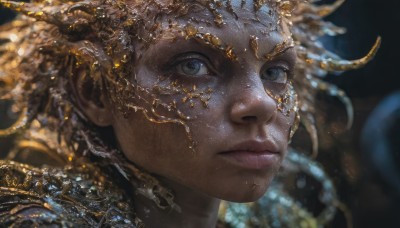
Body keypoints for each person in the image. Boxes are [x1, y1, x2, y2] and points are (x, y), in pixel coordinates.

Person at [0, 0, 380, 227]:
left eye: (276, 72)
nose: (261, 103)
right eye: (193, 66)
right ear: (95, 92)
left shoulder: (279, 219)